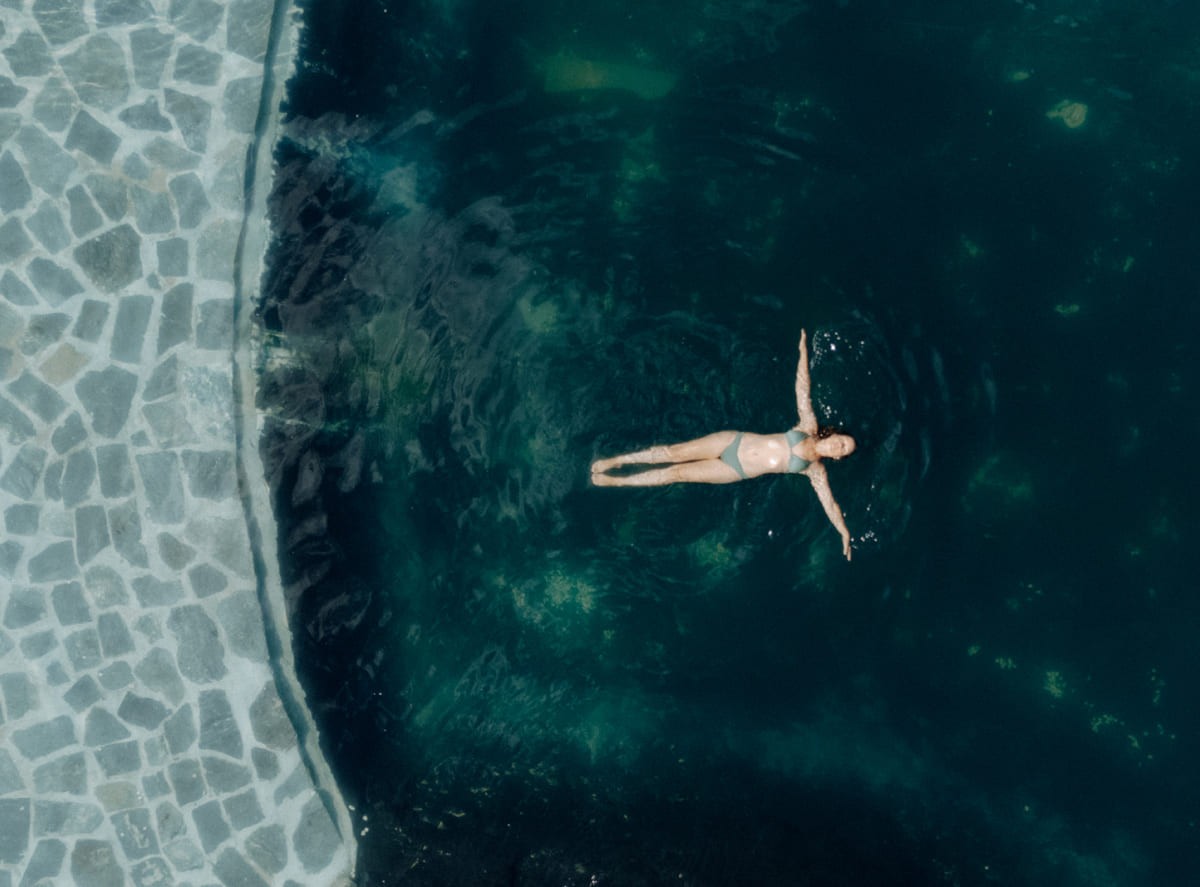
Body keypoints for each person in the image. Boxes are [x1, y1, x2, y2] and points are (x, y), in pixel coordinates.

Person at [591, 329, 856, 560]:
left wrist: (843, 532)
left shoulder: (813, 470)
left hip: (735, 471)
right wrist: (803, 350)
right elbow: (802, 391)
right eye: (842, 441)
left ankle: (618, 481)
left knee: (677, 473)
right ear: (834, 435)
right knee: (675, 452)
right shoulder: (808, 427)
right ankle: (619, 461)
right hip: (733, 441)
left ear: (837, 457)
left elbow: (830, 504)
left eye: (843, 450)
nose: (839, 447)